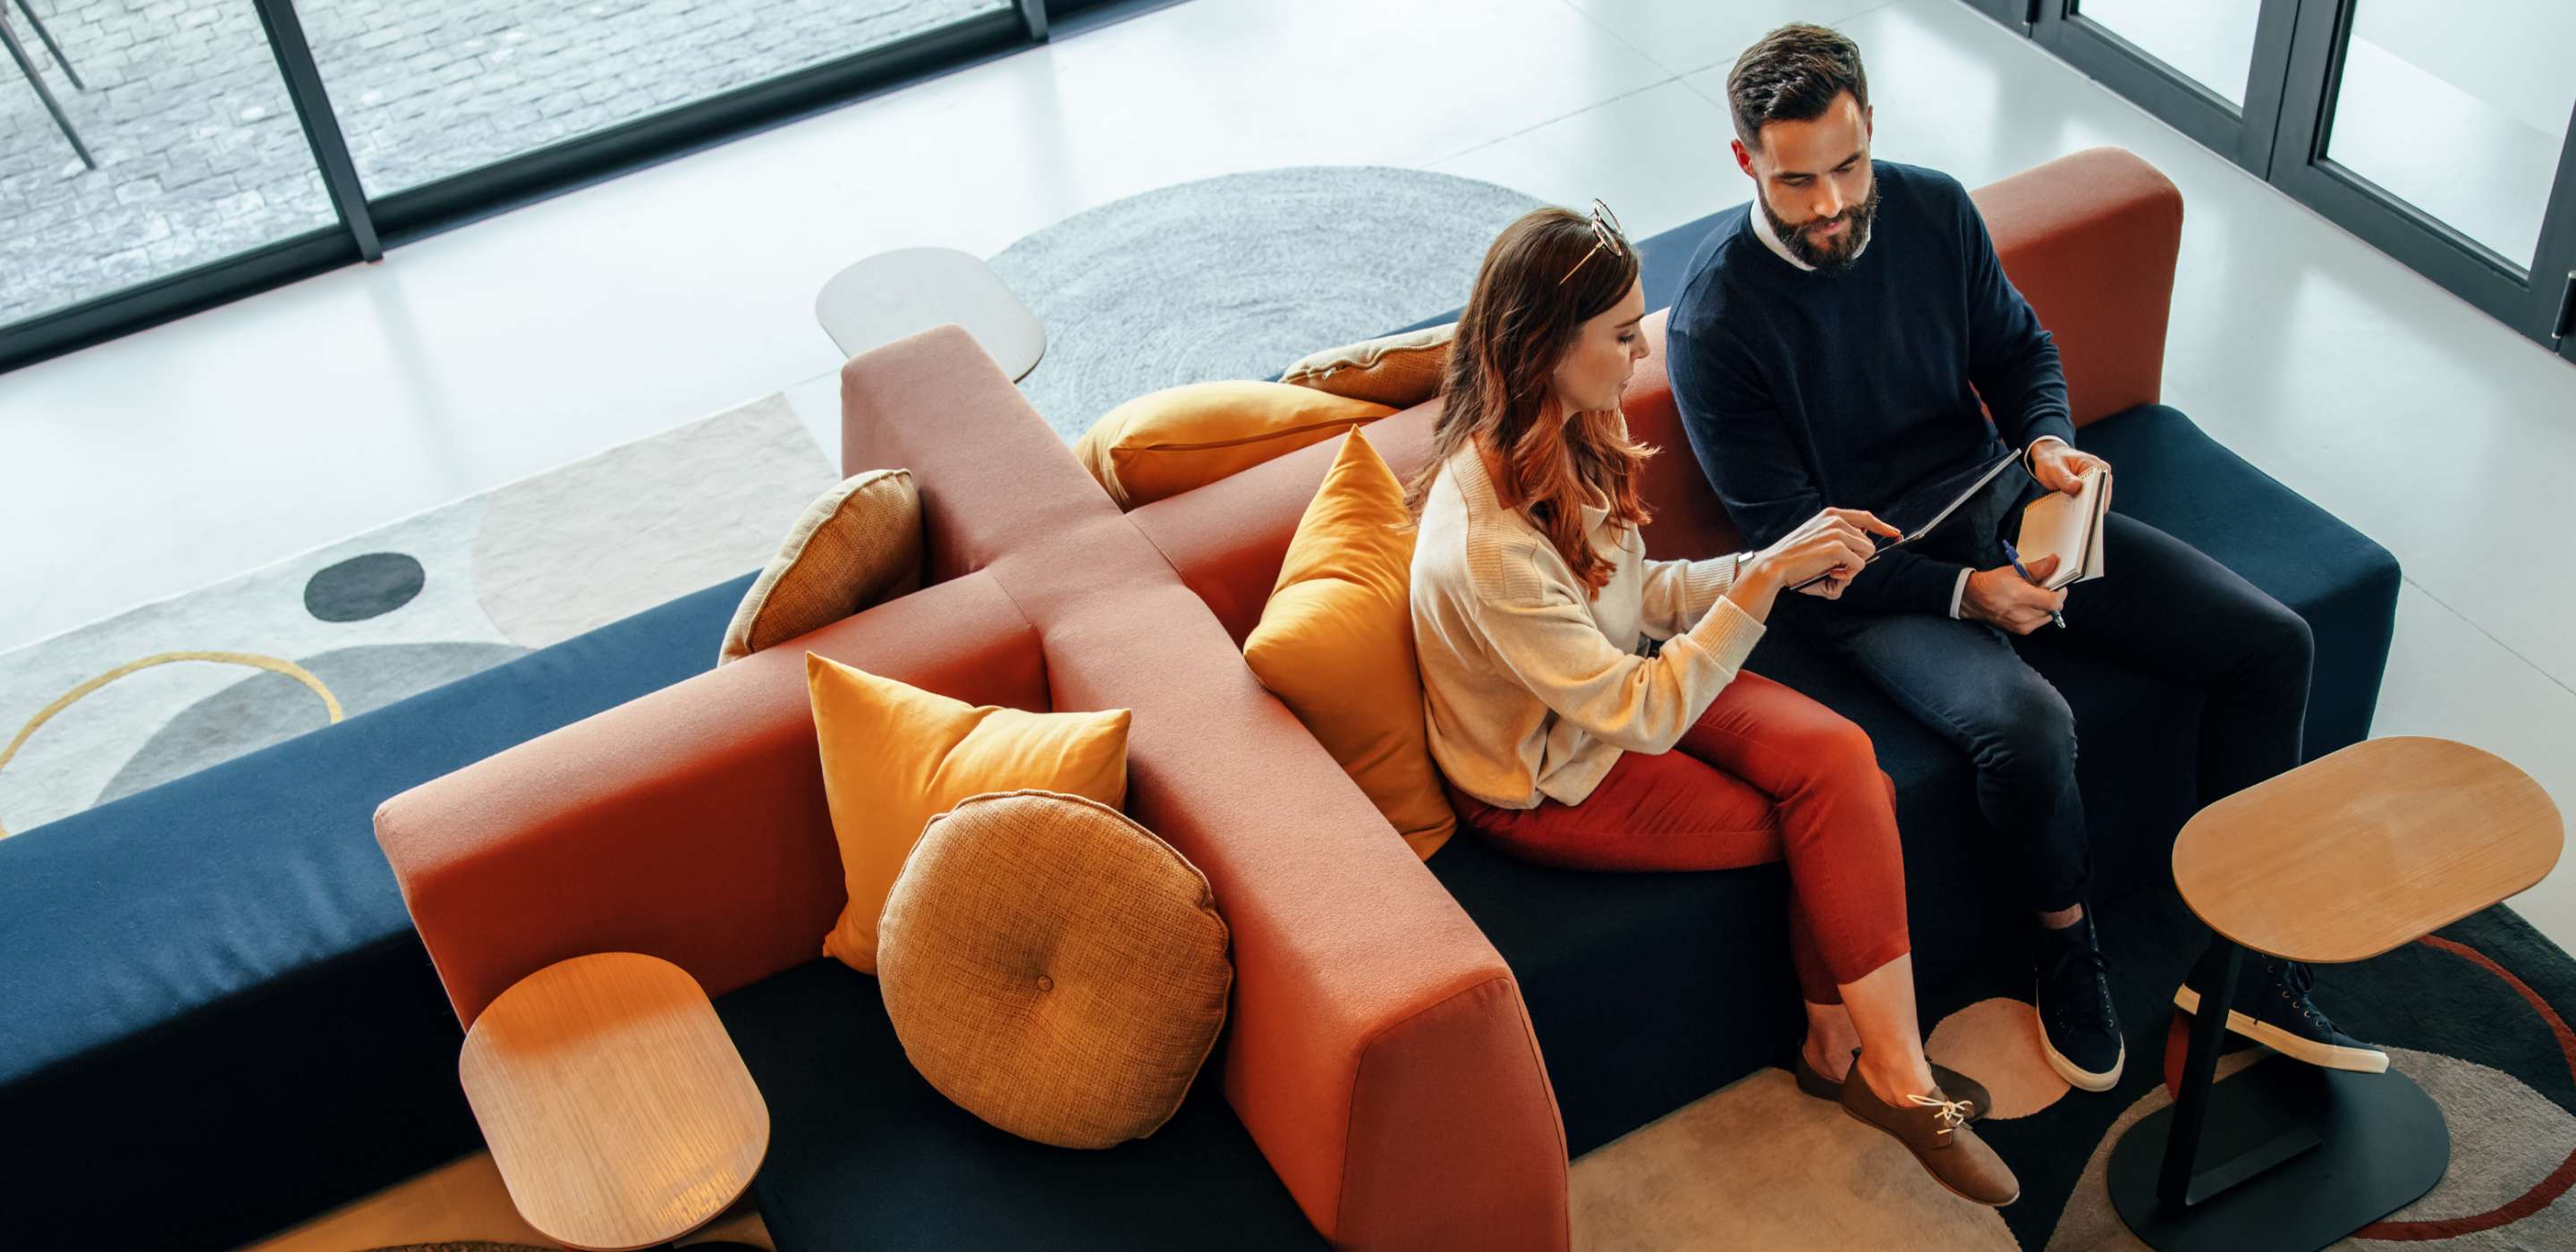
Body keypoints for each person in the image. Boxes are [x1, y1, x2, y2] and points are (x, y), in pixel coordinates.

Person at [1665, 22, 2386, 1093]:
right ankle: (2063, 942)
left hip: (2000, 504)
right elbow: (1796, 544)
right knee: (2028, 726)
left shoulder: (1933, 208)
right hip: (1862, 583)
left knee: (2271, 644)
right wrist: (1967, 594)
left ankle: (2252, 956)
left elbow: (2018, 346)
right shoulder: (1716, 322)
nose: (1830, 205)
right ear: (1745, 164)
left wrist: (2046, 434)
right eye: (1797, 181)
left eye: (1849, 166)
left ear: (1872, 131)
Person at [1408, 201, 2019, 1206]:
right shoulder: (1488, 547)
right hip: (1547, 777)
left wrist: (1769, 560)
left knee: (1842, 762)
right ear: (1547, 346)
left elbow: (1636, 594)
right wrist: (1758, 589)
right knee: (1823, 817)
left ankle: (1843, 1052)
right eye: (1619, 334)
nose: (1640, 351)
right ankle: (1897, 1079)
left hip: (1622, 681)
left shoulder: (1569, 426)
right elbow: (1641, 713)